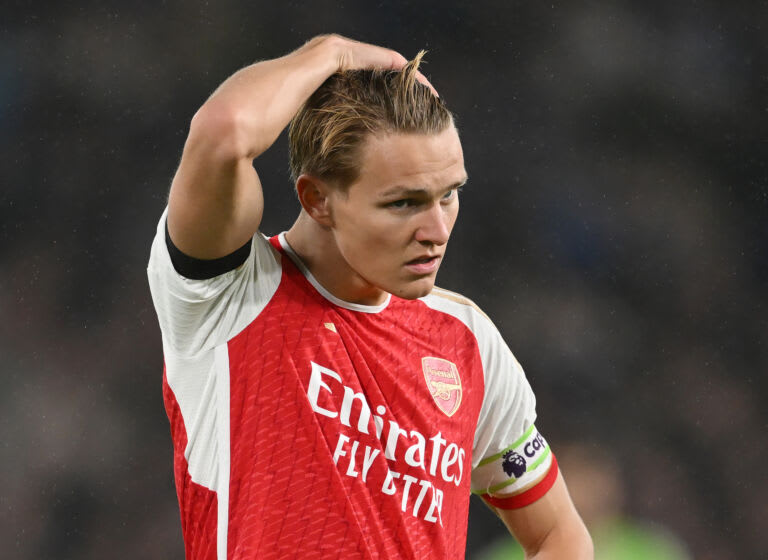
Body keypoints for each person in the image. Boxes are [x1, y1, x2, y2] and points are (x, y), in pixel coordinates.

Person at [147, 34, 592, 559]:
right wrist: (330, 53)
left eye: (449, 195)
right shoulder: (229, 293)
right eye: (403, 203)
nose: (436, 230)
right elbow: (224, 132)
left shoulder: (467, 342)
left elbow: (560, 536)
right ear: (317, 199)